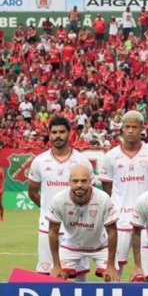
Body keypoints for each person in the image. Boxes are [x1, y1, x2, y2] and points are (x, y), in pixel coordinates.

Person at [99, 110, 148, 279]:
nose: (130, 131)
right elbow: (107, 188)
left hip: (146, 221)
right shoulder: (110, 156)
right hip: (119, 221)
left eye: (134, 127)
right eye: (127, 127)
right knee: (112, 270)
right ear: (121, 128)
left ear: (142, 128)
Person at [28, 116, 92, 276]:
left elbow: (91, 193)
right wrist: (49, 210)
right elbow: (32, 192)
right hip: (48, 226)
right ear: (49, 134)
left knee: (79, 273)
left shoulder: (82, 161)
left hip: (77, 226)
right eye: (54, 132)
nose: (58, 136)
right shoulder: (39, 161)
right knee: (46, 271)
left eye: (62, 132)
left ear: (69, 133)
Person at [46, 165, 120, 282]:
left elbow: (112, 232)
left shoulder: (103, 199)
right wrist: (56, 265)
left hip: (100, 247)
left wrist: (110, 265)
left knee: (113, 279)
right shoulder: (59, 200)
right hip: (71, 246)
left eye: (83, 181)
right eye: (75, 181)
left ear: (90, 181)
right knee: (57, 280)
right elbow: (53, 232)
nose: (79, 185)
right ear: (69, 182)